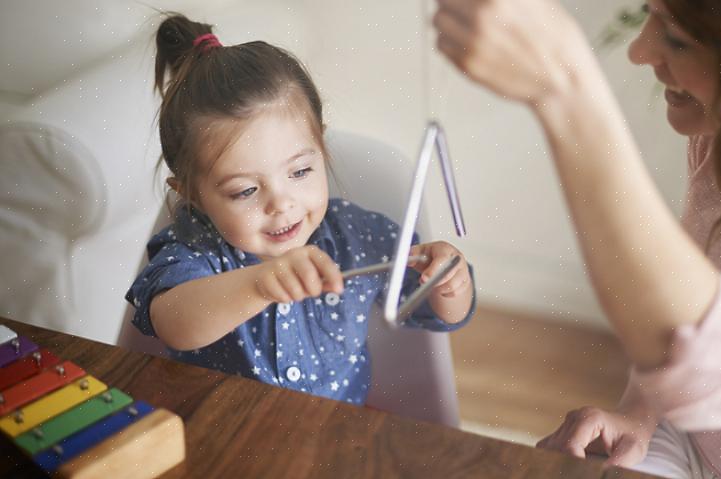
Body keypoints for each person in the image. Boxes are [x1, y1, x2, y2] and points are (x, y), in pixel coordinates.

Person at [434, 0, 721, 477]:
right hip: (693, 442)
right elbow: (687, 303)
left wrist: (567, 89)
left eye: (677, 38)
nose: (639, 50)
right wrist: (639, 412)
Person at [125, 14, 475, 405]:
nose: (281, 203)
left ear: (321, 148)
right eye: (245, 191)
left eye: (300, 171)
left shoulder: (359, 236)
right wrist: (259, 283)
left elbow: (438, 310)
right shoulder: (193, 249)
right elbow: (174, 323)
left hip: (332, 437)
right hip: (220, 437)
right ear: (190, 195)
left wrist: (448, 281)